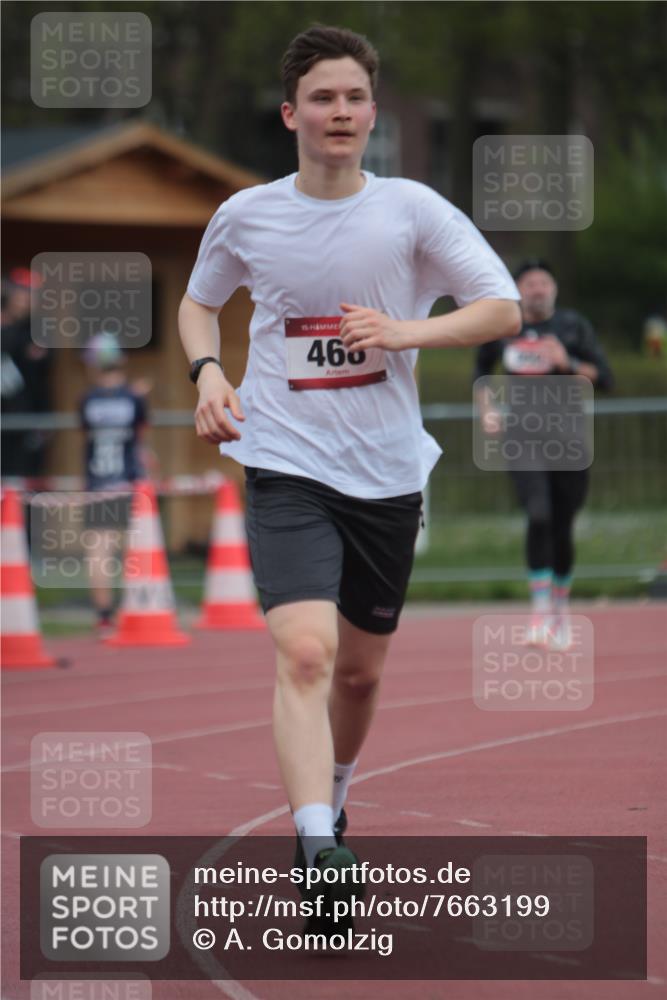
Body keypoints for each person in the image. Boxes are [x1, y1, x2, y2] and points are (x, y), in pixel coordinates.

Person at [178, 24, 521, 929]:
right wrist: (207, 373)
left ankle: (328, 798)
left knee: (359, 677)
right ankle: (317, 841)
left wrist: (407, 332)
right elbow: (198, 302)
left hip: (385, 473)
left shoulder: (412, 209)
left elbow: (500, 305)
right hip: (286, 462)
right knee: (304, 653)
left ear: (372, 113)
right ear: (292, 113)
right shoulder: (248, 214)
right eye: (322, 98)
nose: (340, 112)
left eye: (354, 98)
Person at [474, 259, 614, 647]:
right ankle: (539, 614)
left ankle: (560, 613)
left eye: (543, 282)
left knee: (562, 525)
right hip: (523, 437)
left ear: (553, 288)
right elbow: (481, 372)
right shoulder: (505, 324)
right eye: (529, 283)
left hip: (569, 439)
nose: (537, 289)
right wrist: (487, 410)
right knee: (538, 516)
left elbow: (605, 378)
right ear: (518, 290)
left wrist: (565, 362)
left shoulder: (573, 326)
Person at [79, 332, 148, 637]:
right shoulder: (134, 399)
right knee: (137, 548)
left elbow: (87, 437)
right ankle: (137, 609)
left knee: (99, 551)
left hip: (98, 482)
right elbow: (141, 435)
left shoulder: (87, 401)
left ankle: (104, 617)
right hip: (130, 480)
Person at [1, 268, 52, 478]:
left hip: (29, 419)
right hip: (3, 417)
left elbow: (37, 364)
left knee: (26, 482)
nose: (25, 300)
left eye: (31, 294)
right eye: (21, 293)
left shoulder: (38, 330)